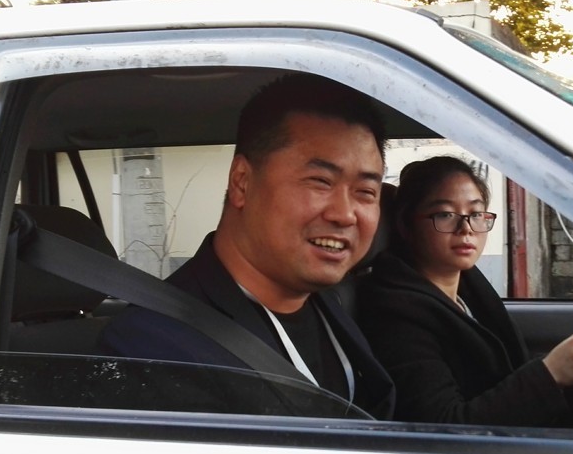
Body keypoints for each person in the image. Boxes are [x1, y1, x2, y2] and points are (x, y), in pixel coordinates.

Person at [99, 73, 394, 418]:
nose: (344, 214)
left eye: (365, 192)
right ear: (242, 182)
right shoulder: (150, 349)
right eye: (320, 181)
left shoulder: (331, 304)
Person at [356, 156, 573, 427]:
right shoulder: (396, 314)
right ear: (406, 225)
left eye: (476, 214)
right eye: (445, 215)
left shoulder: (469, 291)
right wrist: (550, 374)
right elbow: (443, 427)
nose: (466, 229)